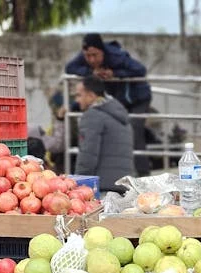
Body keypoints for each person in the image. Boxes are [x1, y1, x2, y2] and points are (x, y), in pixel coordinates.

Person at [65, 33, 153, 176]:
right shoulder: (85, 59)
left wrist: (115, 73)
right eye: (88, 56)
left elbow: (140, 70)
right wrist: (91, 72)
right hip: (120, 100)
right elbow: (69, 67)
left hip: (137, 97)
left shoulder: (117, 55)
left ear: (103, 51)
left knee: (135, 130)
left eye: (95, 55)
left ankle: (143, 174)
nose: (91, 59)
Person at [75, 76, 134, 194]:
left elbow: (88, 155)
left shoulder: (92, 116)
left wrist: (78, 184)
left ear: (91, 95)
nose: (76, 100)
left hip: (102, 187)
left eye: (79, 95)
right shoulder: (119, 114)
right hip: (124, 186)